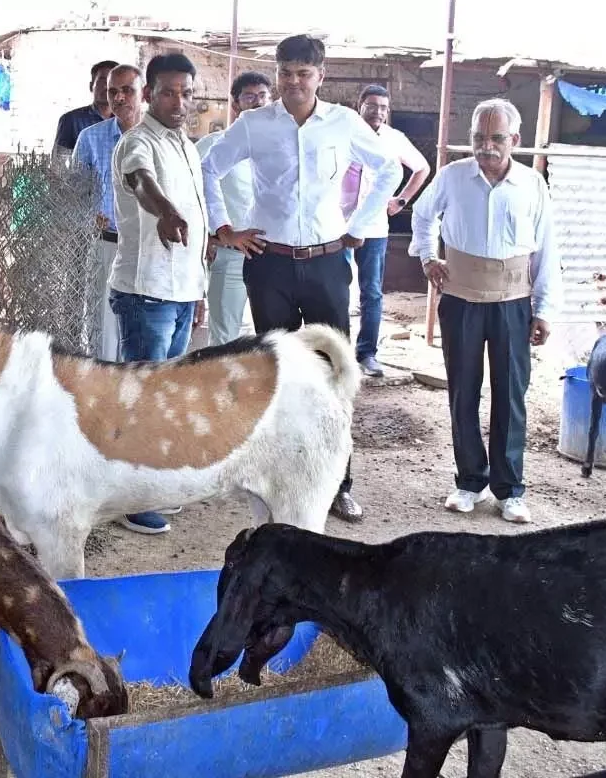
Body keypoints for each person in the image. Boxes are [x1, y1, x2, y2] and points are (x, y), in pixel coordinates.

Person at [200, 34, 401, 523]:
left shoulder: (343, 123)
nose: (293, 82)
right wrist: (224, 229)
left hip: (328, 262)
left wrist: (359, 225)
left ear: (320, 76)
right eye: (285, 73)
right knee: (278, 372)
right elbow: (208, 168)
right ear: (277, 74)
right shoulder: (255, 124)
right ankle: (281, 484)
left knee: (334, 371)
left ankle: (339, 484)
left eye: (303, 74)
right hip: (269, 263)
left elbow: (389, 169)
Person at [409, 98, 561, 524]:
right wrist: (427, 258)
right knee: (463, 391)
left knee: (511, 395)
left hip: (513, 302)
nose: (486, 147)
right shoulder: (453, 176)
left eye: (496, 138)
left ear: (515, 139)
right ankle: (470, 482)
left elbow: (547, 249)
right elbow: (422, 216)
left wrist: (544, 309)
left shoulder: (532, 184)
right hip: (461, 301)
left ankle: (510, 490)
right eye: (478, 137)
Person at [109, 52, 208, 535]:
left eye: (186, 93)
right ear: (149, 94)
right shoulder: (138, 141)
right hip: (146, 293)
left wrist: (199, 291)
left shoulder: (186, 145)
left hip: (181, 291)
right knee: (142, 398)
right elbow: (141, 181)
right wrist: (164, 211)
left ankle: (154, 484)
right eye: (168, 92)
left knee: (164, 395)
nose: (178, 102)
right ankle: (131, 498)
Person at [340, 84, 431, 377]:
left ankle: (367, 353)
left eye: (383, 107)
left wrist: (401, 200)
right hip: (337, 224)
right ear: (360, 106)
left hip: (374, 227)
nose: (377, 112)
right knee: (336, 290)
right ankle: (338, 355)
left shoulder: (394, 139)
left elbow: (422, 168)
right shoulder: (344, 133)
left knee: (372, 292)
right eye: (372, 106)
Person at [71, 64, 145, 362]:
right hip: (106, 243)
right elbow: (74, 194)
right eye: (113, 91)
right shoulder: (90, 138)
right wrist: (88, 217)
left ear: (144, 93)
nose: (119, 98)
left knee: (147, 326)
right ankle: (103, 382)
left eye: (127, 90)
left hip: (150, 247)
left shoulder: (162, 138)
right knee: (103, 326)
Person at [194, 71, 271, 346]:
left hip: (274, 255)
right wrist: (209, 237)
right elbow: (192, 196)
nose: (258, 102)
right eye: (250, 97)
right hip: (231, 254)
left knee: (272, 337)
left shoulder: (280, 146)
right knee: (225, 338)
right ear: (235, 104)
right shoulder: (212, 146)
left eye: (263, 96)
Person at [52, 60, 118, 164]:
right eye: (102, 81)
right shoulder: (71, 120)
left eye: (111, 82)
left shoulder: (124, 121)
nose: (106, 87)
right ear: (91, 86)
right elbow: (58, 163)